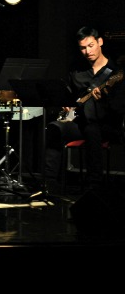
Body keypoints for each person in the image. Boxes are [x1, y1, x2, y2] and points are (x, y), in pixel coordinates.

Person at [42, 26, 125, 185]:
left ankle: (94, 183)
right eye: (83, 48)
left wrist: (103, 101)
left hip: (108, 124)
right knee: (55, 127)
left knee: (92, 129)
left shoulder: (115, 73)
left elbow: (119, 108)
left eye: (91, 46)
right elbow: (71, 97)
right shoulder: (77, 71)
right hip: (82, 122)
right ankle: (49, 183)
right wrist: (67, 105)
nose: (88, 51)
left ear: (100, 42)